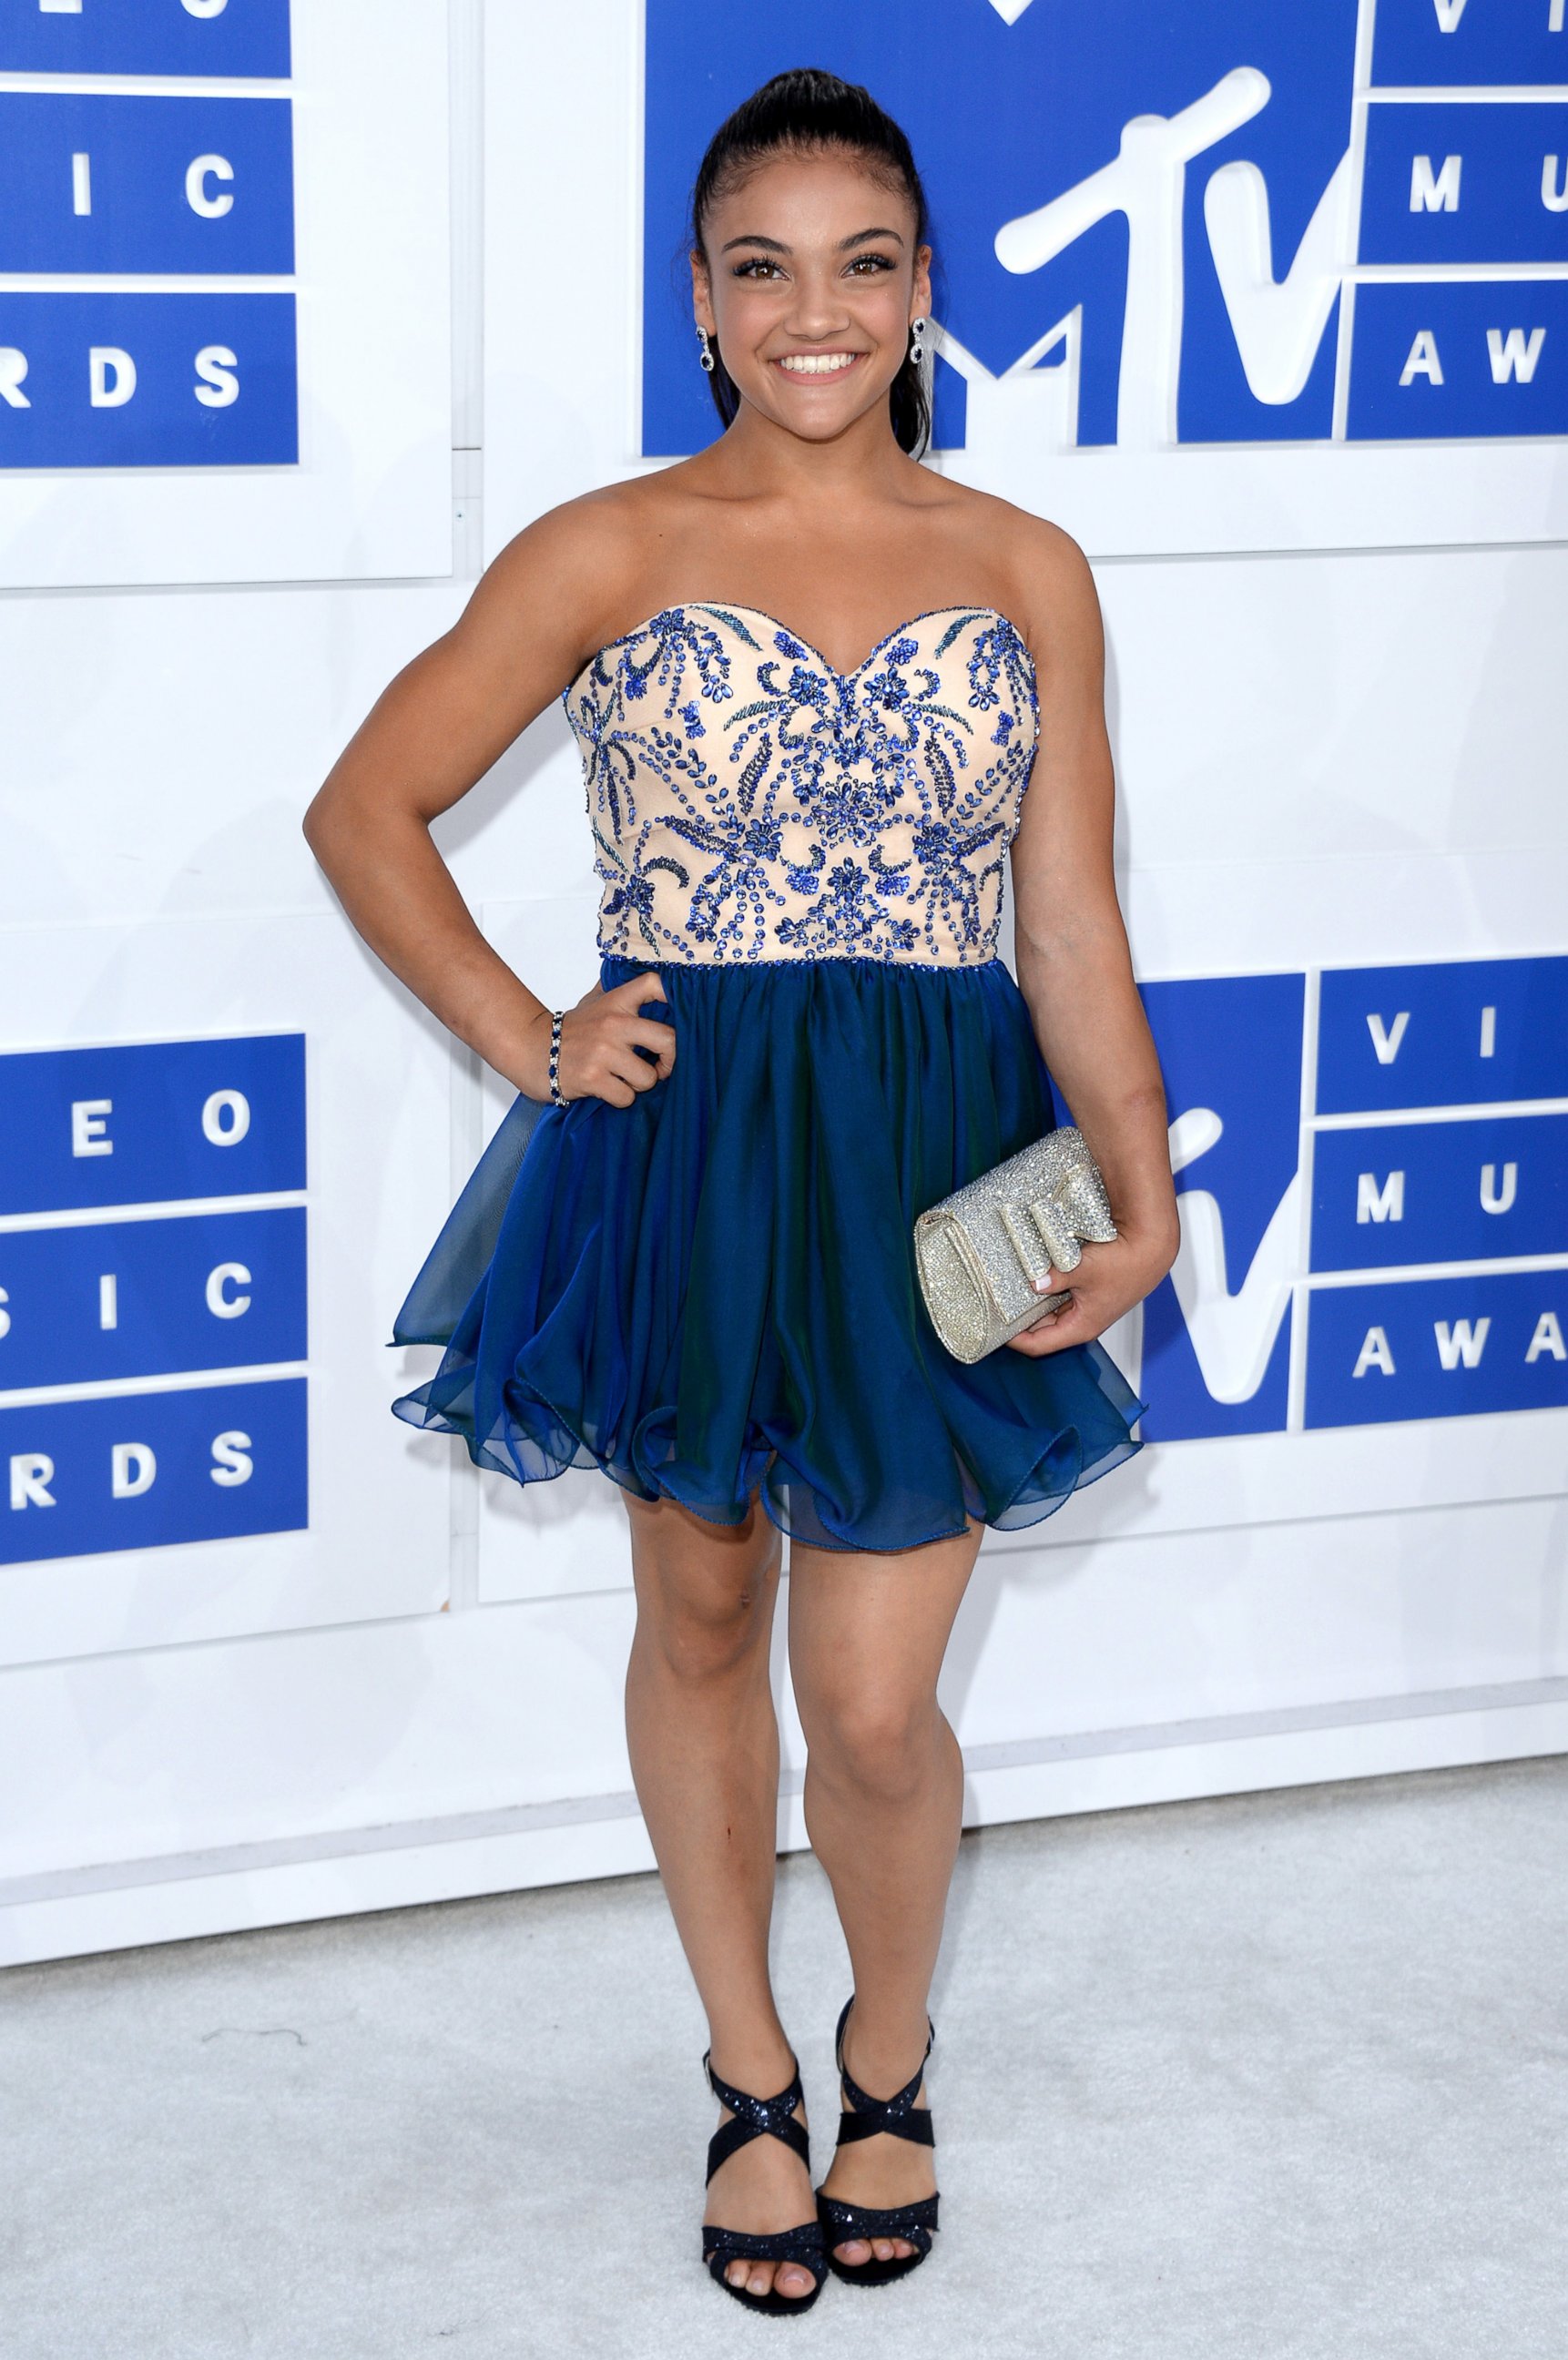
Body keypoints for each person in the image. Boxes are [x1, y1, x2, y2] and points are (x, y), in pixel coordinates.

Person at [303, 66, 1178, 2318]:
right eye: (765, 268)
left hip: (945, 1167)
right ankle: (753, 2078)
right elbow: (365, 810)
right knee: (698, 1622)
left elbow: (1066, 919)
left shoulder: (1023, 568)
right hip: (689, 1156)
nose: (817, 314)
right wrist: (534, 1038)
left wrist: (1140, 1194)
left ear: (920, 293)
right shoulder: (608, 548)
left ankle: (894, 2053)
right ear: (701, 300)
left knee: (876, 1702)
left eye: (863, 265)